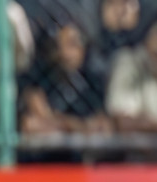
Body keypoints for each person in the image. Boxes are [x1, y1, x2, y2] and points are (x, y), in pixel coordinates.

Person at [19, 21, 110, 157]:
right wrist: (79, 127)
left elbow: (103, 128)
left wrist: (61, 124)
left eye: (72, 45)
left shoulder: (92, 81)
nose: (65, 53)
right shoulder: (43, 78)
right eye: (59, 46)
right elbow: (34, 124)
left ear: (83, 48)